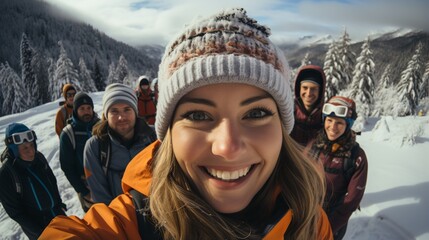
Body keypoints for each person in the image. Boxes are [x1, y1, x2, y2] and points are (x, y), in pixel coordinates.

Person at [40, 8, 332, 239]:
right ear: (168, 133)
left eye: (256, 114)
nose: (227, 147)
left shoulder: (309, 224)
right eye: (197, 115)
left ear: (282, 126)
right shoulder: (136, 223)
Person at [83, 83, 156, 205]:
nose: (121, 117)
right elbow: (101, 198)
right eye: (114, 111)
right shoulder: (95, 147)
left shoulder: (154, 136)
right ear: (106, 115)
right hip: (122, 220)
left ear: (135, 111)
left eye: (127, 109)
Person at [308, 96, 368, 240]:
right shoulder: (314, 145)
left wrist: (327, 228)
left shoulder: (356, 157)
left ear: (348, 124)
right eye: (329, 120)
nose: (333, 127)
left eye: (339, 122)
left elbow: (351, 201)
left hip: (333, 222)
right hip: (307, 214)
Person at [0, 123, 66, 240]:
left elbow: (52, 182)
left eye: (31, 145)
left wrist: (59, 204)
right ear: (14, 149)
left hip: (58, 215)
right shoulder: (6, 174)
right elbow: (15, 212)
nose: (30, 151)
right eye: (24, 147)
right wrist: (40, 233)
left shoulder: (39, 158)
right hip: (38, 228)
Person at [59, 92, 100, 212]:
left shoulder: (100, 126)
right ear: (75, 110)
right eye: (82, 108)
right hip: (86, 185)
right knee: (95, 220)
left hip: (105, 182)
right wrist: (84, 192)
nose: (86, 111)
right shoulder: (68, 134)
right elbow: (67, 167)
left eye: (89, 108)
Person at [290, 65, 326, 146]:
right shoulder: (288, 113)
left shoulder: (327, 118)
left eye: (313, 89)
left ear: (320, 92)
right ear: (299, 89)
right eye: (305, 88)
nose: (308, 93)